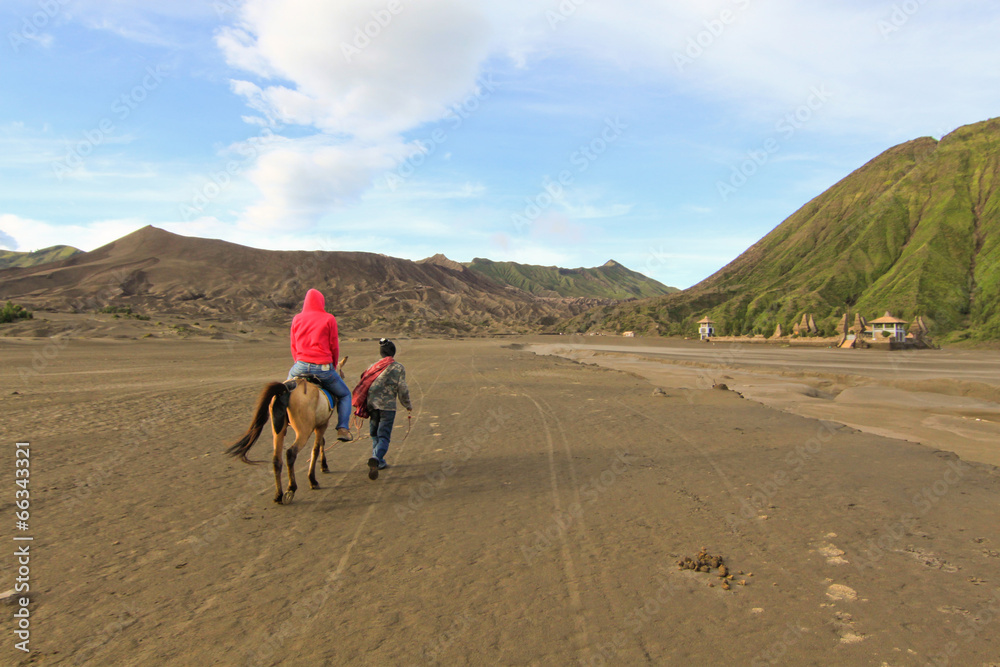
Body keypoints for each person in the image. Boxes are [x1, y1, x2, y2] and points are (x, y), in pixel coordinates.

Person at [287, 289, 353, 442]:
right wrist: (334, 365)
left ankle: (284, 420)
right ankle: (343, 428)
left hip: (300, 365)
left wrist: (298, 362)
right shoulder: (329, 318)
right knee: (345, 395)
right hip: (323, 368)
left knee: (284, 392)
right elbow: (334, 346)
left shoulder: (297, 318)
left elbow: (293, 344)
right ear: (321, 302)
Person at [360, 338, 412, 480]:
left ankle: (379, 461)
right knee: (384, 435)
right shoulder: (398, 367)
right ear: (393, 352)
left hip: (372, 405)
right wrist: (407, 404)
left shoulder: (373, 366)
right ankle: (376, 458)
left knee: (375, 433)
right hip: (387, 407)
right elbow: (402, 388)